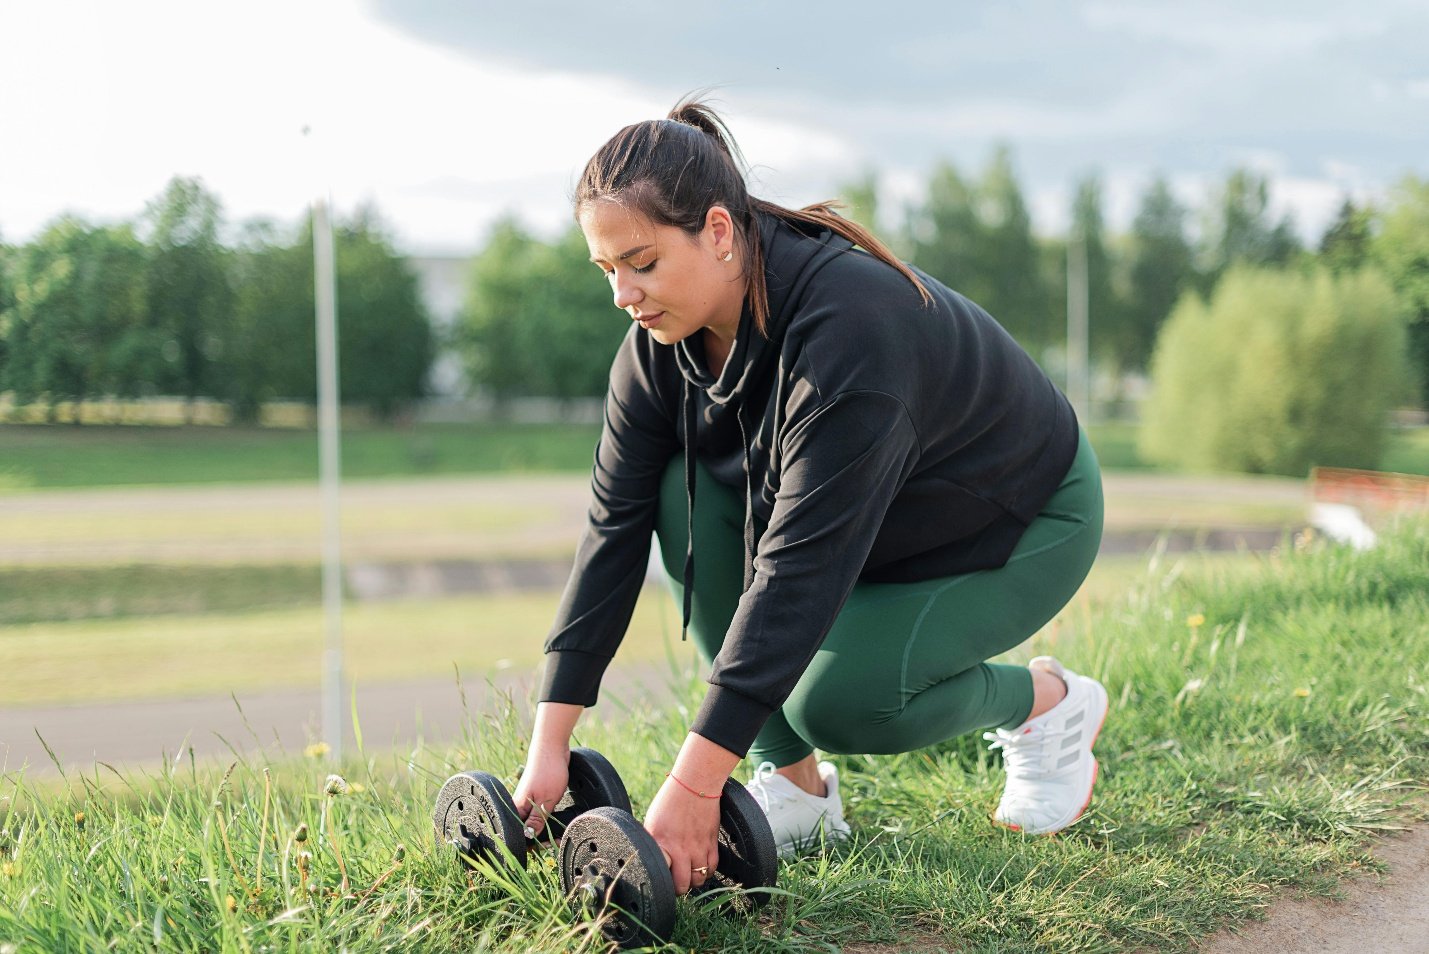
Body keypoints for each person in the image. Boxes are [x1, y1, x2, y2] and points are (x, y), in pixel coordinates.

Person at [513, 99, 1107, 896]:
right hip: (867, 528)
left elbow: (797, 570)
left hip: (1014, 517)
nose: (622, 292)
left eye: (642, 262)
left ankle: (1046, 704)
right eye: (606, 269)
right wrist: (551, 740)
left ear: (718, 232)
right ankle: (792, 788)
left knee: (844, 702)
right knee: (669, 493)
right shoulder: (656, 348)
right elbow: (611, 532)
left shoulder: (850, 329)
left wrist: (694, 789)